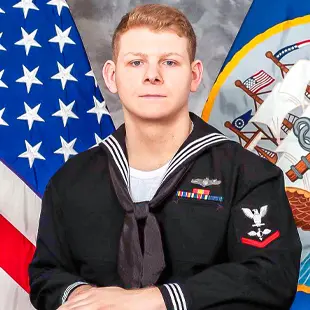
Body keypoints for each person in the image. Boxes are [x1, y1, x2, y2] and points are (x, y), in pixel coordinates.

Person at [29, 4, 301, 310]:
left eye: (170, 62)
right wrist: (86, 299)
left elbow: (270, 276)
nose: (152, 76)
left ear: (194, 75)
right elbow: (47, 273)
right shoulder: (70, 181)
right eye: (136, 63)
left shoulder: (248, 177)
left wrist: (155, 300)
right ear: (112, 75)